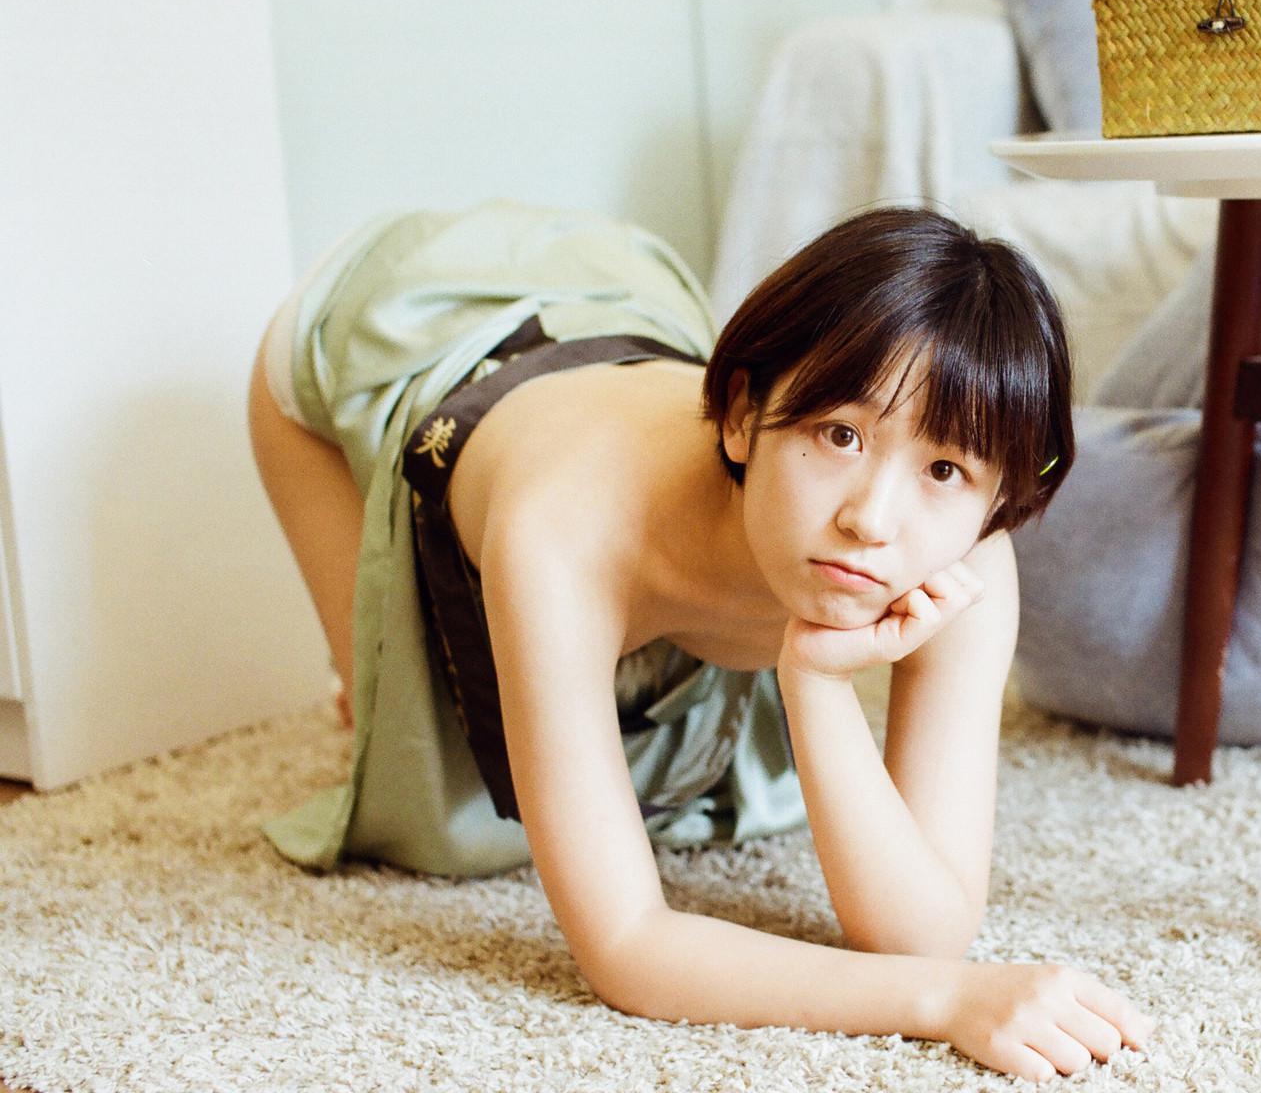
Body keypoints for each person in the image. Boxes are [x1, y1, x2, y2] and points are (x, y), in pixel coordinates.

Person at [245, 197, 1154, 1082]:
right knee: (425, 782)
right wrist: (946, 1003)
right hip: (386, 330)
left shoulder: (969, 553)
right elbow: (625, 946)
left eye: (944, 467)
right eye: (840, 433)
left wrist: (817, 686)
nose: (872, 520)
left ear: (997, 501)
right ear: (741, 415)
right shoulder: (560, 528)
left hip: (621, 311)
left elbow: (925, 930)